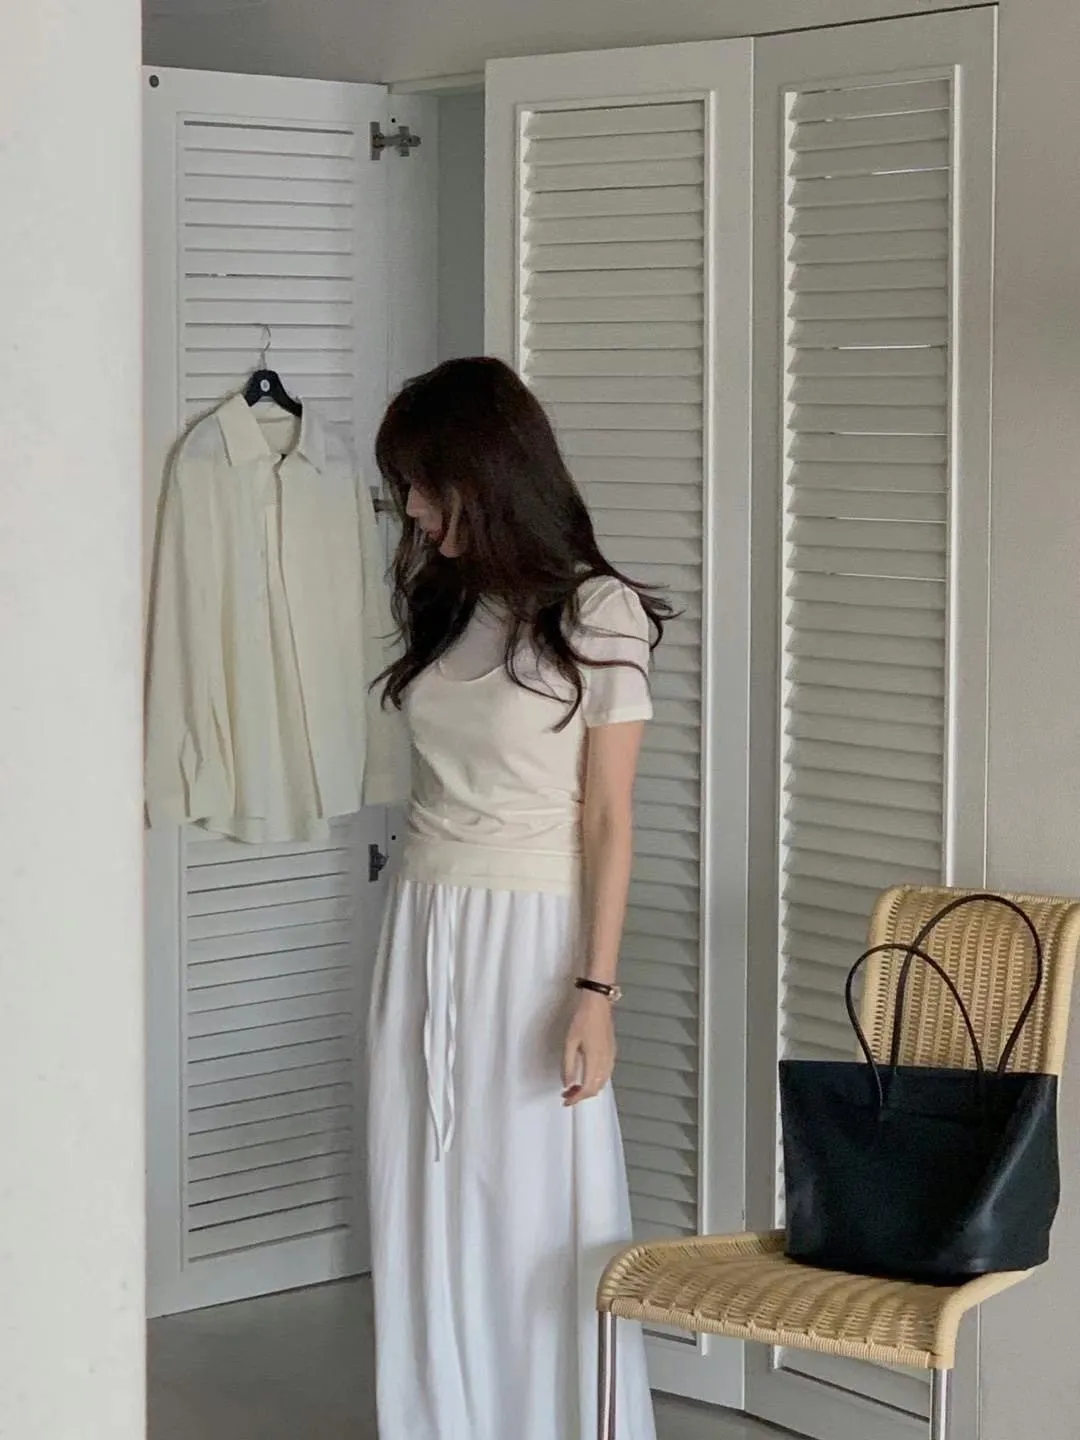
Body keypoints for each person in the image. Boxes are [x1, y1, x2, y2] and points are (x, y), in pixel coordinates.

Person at [367, 356, 667, 1440]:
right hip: (423, 924)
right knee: (423, 1189)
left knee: (535, 1201)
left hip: (533, 936)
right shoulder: (447, 602)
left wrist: (595, 991)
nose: (410, 508)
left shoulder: (596, 612)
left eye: (423, 482)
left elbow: (609, 820)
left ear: (485, 471)